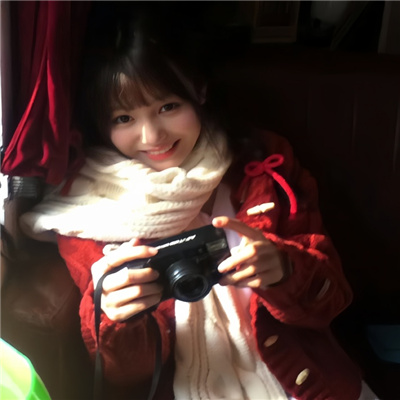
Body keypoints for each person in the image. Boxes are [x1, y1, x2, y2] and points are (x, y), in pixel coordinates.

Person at [20, 6, 377, 400]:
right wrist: (117, 317)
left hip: (303, 381)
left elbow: (333, 299)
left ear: (199, 91)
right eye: (123, 118)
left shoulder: (263, 165)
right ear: (100, 124)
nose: (152, 136)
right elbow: (126, 374)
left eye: (168, 107)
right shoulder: (87, 209)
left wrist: (284, 268)